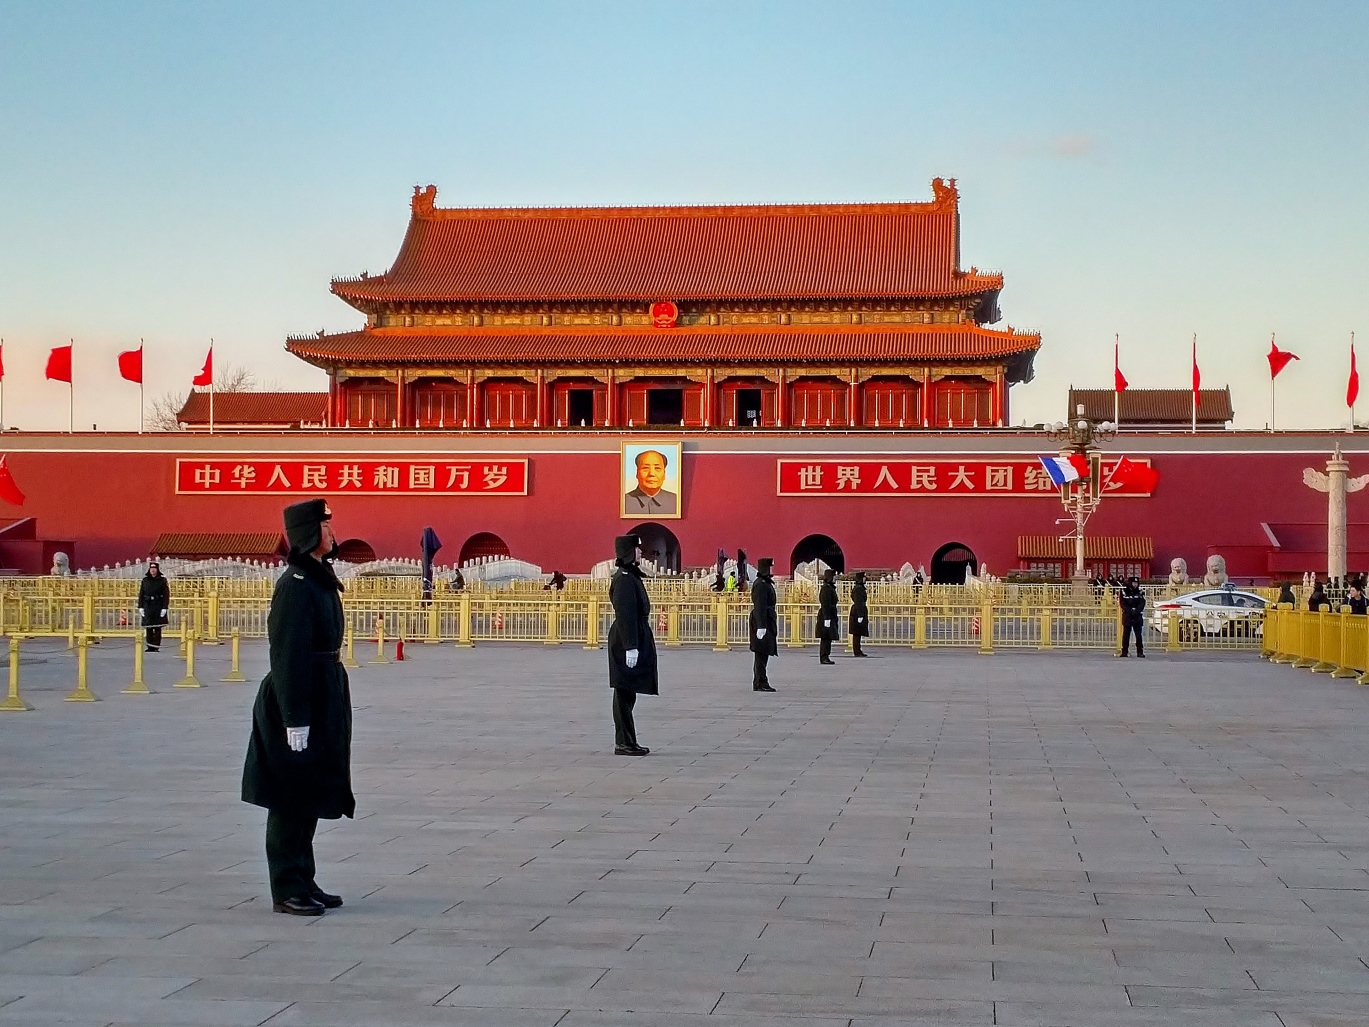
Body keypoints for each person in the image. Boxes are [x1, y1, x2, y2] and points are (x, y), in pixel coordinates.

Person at [242, 499, 354, 917]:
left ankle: (304, 878)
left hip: (322, 691)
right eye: (325, 525)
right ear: (309, 533)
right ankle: (286, 885)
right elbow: (286, 655)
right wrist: (295, 718)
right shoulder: (295, 584)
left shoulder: (318, 578)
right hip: (299, 697)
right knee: (289, 795)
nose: (332, 531)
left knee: (308, 791)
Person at [608, 534, 656, 756]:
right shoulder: (625, 579)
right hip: (627, 637)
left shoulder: (630, 576)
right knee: (624, 692)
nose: (640, 552)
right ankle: (623, 742)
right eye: (636, 549)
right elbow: (625, 614)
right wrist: (630, 646)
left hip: (634, 634)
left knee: (628, 692)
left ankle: (629, 740)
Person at [749, 557, 777, 691]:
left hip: (767, 618)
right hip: (762, 619)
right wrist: (761, 626)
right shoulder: (760, 584)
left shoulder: (764, 583)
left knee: (764, 651)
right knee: (760, 652)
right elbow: (760, 605)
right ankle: (760, 681)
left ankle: (761, 679)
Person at [623, 449, 677, 515]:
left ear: (664, 474)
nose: (651, 473)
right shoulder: (623, 502)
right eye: (645, 468)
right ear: (637, 473)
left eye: (657, 468)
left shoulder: (676, 501)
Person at [138, 560, 170, 653]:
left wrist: (165, 607)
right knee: (148, 626)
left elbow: (166, 594)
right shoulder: (145, 580)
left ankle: (156, 646)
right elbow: (141, 593)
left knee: (157, 627)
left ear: (157, 569)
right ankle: (149, 646)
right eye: (151, 568)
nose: (153, 570)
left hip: (158, 604)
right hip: (147, 604)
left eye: (154, 568)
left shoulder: (162, 580)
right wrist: (140, 606)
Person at [1118, 575, 1146, 657]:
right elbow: (1122, 603)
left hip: (1137, 616)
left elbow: (1142, 603)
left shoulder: (1140, 592)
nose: (1135, 585)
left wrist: (1136, 610)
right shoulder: (1124, 591)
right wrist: (1130, 610)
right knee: (1126, 635)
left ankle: (1140, 652)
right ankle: (1124, 651)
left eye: (1136, 583)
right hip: (1128, 616)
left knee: (1138, 635)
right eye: (1133, 583)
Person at [817, 567, 839, 665]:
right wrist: (827, 618)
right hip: (826, 615)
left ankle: (826, 655)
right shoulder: (826, 589)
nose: (835, 578)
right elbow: (825, 604)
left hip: (830, 614)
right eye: (834, 576)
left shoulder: (829, 588)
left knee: (828, 637)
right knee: (825, 637)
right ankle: (824, 656)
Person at [848, 571, 870, 657]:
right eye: (864, 577)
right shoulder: (858, 589)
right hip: (857, 612)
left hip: (859, 611)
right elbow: (859, 602)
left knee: (858, 632)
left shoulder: (860, 588)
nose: (865, 579)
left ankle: (858, 649)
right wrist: (860, 615)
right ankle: (856, 650)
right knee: (856, 633)